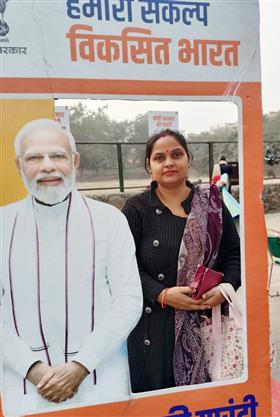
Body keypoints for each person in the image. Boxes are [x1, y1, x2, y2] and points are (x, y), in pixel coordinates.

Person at [1, 119, 143, 416]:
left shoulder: (109, 220)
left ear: (75, 161)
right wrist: (32, 369)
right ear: (19, 166)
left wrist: (80, 366)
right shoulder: (3, 224)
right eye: (34, 157)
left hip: (99, 380)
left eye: (58, 156)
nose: (47, 166)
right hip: (26, 387)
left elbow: (129, 300)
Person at [122, 129, 241, 393]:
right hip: (152, 329)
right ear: (149, 166)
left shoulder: (211, 202)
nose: (169, 163)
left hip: (207, 326)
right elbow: (123, 269)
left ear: (188, 158)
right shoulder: (136, 208)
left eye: (176, 154)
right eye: (159, 157)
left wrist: (224, 289)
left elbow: (235, 255)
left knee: (206, 401)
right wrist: (162, 293)